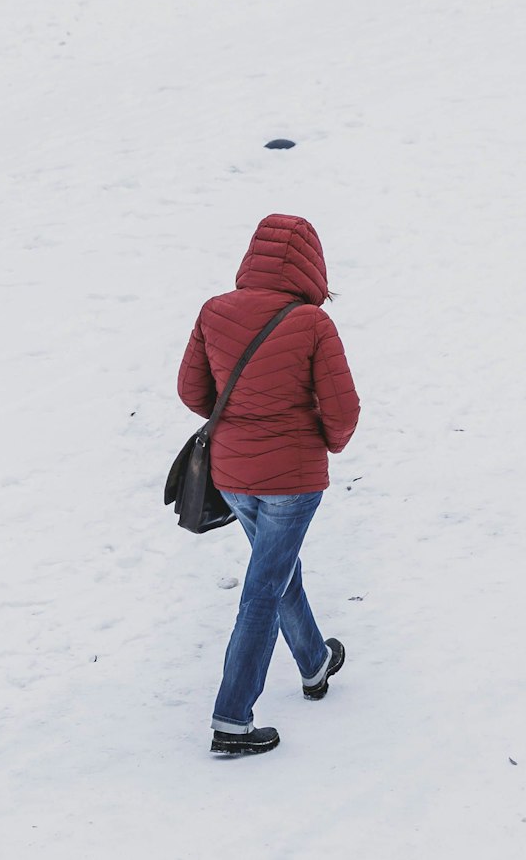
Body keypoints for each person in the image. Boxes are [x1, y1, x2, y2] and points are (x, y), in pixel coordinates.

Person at [177, 213, 361, 756]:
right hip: (293, 480)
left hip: (232, 475)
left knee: (276, 569)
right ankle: (232, 719)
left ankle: (314, 663)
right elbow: (343, 410)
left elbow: (192, 391)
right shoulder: (311, 323)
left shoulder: (214, 311)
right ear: (311, 263)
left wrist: (238, 425)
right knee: (264, 587)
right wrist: (321, 442)